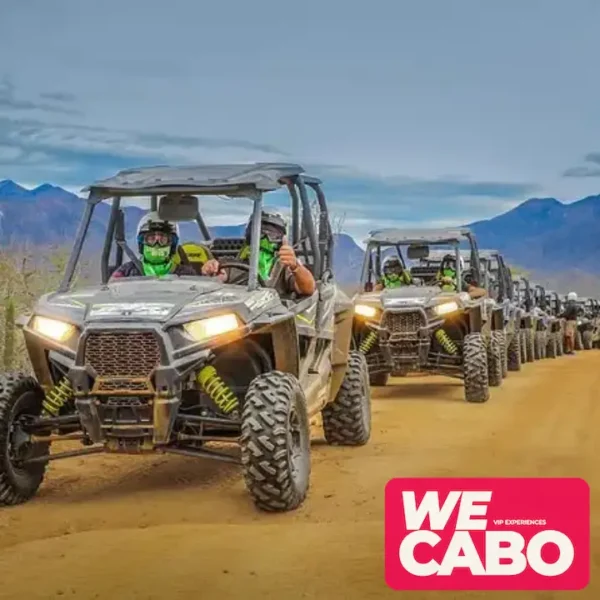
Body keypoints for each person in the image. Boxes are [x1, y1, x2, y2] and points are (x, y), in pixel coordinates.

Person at [201, 210, 316, 296]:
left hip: (273, 321)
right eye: (258, 232)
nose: (263, 239)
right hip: (237, 318)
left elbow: (308, 288)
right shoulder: (231, 264)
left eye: (272, 234)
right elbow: (218, 276)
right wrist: (210, 268)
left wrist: (295, 266)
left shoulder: (284, 267)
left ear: (282, 239)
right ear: (249, 235)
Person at [110, 212, 197, 279]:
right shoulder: (126, 272)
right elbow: (111, 292)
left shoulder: (185, 274)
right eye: (151, 239)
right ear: (142, 243)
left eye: (163, 239)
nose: (157, 245)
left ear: (172, 245)